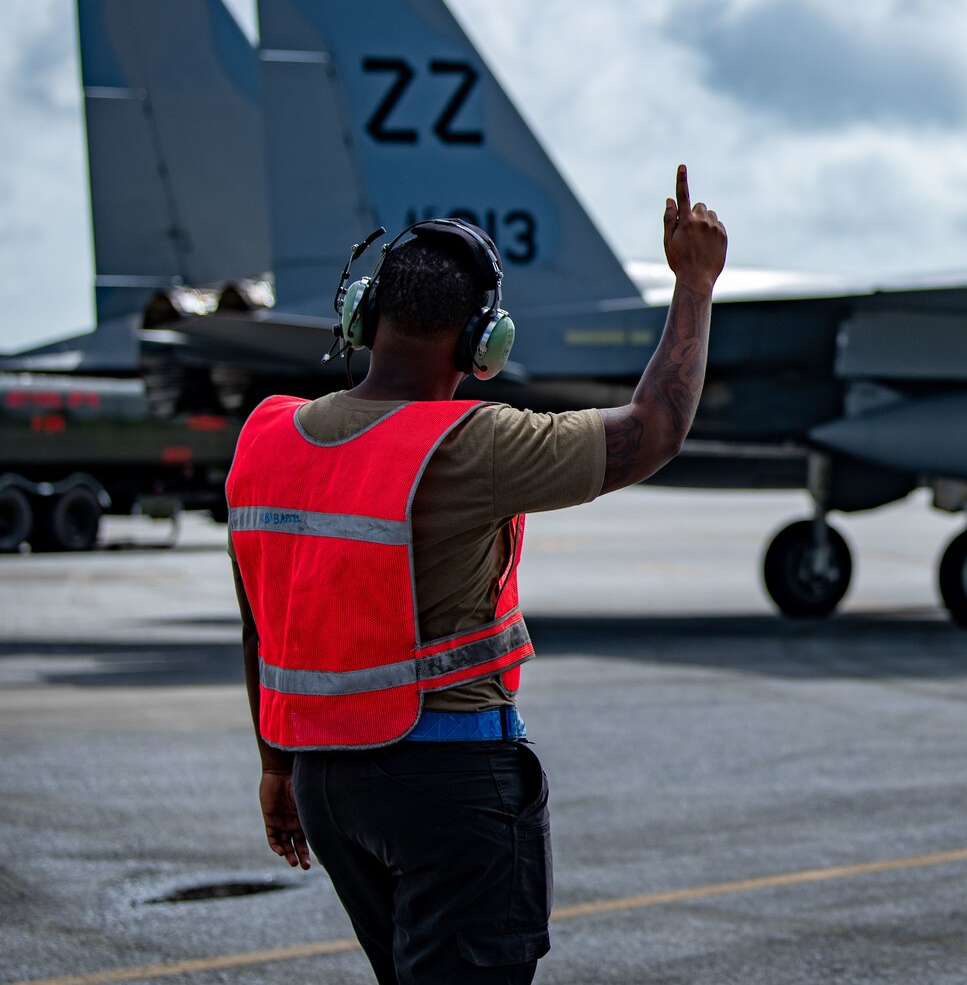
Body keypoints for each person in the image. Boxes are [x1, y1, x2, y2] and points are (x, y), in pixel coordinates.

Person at [227, 166, 726, 983]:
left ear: (362, 316)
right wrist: (696, 285)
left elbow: (261, 616)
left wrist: (276, 764)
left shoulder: (269, 436)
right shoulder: (473, 443)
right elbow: (657, 426)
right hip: (451, 786)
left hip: (325, 780)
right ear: (480, 343)